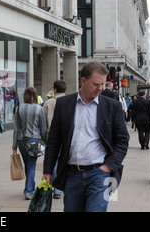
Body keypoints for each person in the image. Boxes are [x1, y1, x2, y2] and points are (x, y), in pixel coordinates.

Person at [42, 61, 129, 212]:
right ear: (83, 81)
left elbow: (122, 141)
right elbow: (54, 140)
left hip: (100, 174)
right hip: (71, 174)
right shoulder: (63, 103)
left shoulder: (112, 106)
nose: (100, 88)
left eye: (102, 84)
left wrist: (107, 167)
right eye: (96, 84)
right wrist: (47, 171)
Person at [13, 87, 47, 200]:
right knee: (31, 165)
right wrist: (45, 141)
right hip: (34, 140)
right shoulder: (39, 109)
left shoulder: (18, 108)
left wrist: (14, 145)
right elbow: (43, 128)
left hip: (22, 140)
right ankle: (28, 191)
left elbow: (16, 128)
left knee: (28, 165)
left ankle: (30, 187)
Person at [42, 80, 67, 199]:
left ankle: (56, 188)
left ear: (55, 90)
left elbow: (43, 123)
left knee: (54, 162)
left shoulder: (48, 103)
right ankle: (60, 187)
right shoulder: (70, 102)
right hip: (66, 137)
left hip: (51, 137)